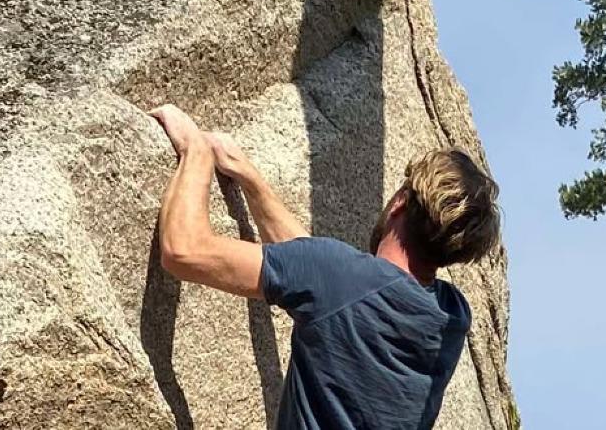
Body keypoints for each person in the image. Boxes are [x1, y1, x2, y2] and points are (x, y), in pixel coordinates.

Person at [145, 104, 502, 430]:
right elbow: (323, 278)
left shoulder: (339, 279)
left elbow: (184, 250)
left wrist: (196, 152)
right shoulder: (452, 319)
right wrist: (251, 181)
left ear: (399, 202)